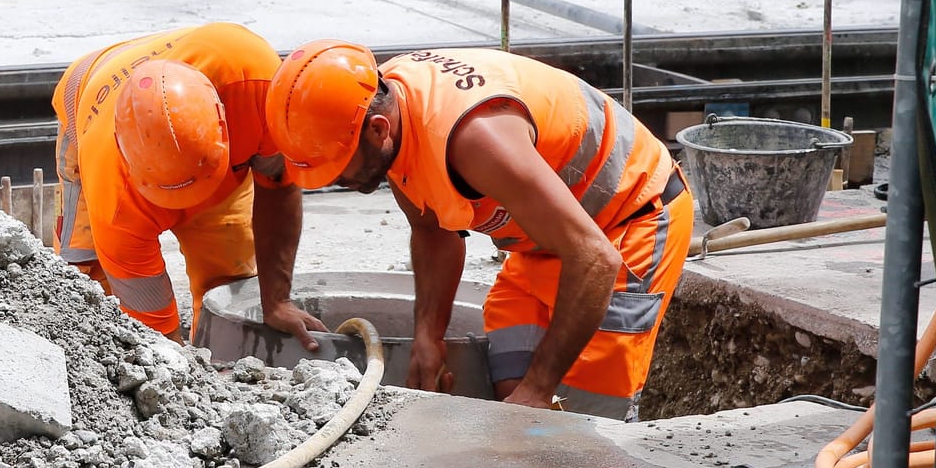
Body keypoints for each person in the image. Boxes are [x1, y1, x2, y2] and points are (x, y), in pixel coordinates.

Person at [262, 41, 694, 420]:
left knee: (585, 417)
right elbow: (432, 229)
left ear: (378, 130)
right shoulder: (388, 107)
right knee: (508, 384)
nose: (340, 181)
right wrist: (428, 339)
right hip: (544, 237)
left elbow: (595, 258)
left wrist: (539, 391)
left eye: (339, 168)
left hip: (628, 221)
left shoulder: (475, 139)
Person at [51, 23, 322, 343]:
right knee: (86, 286)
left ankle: (220, 348)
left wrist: (276, 300)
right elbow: (151, 327)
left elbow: (279, 186)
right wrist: (174, 370)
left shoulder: (257, 86)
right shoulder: (113, 201)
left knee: (227, 284)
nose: (188, 205)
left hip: (213, 89)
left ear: (224, 125)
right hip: (87, 84)